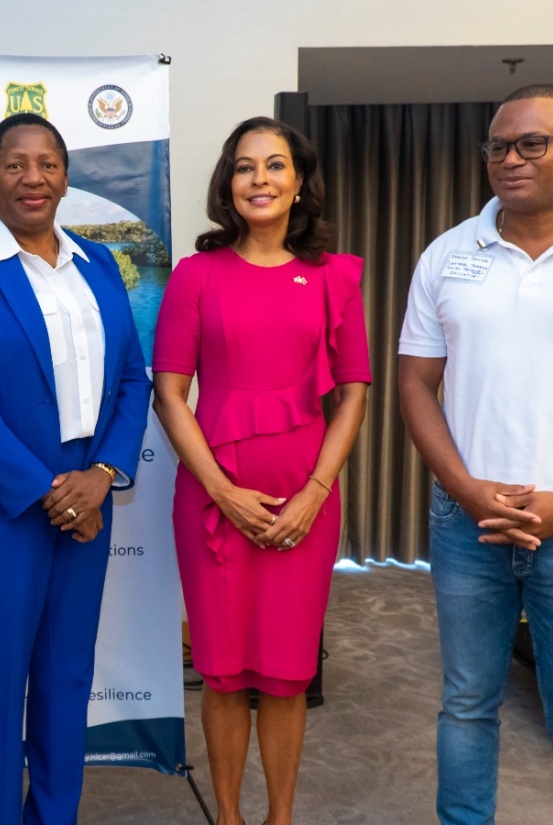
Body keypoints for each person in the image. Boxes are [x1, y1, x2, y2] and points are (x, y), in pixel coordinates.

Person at [398, 84, 553, 825]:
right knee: (466, 705)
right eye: (497, 146)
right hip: (468, 524)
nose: (509, 159)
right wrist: (466, 489)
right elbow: (415, 384)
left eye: (531, 143)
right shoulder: (448, 254)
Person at [0, 112, 151, 825]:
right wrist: (52, 493)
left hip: (89, 493)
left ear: (66, 178)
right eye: (15, 164)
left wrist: (102, 475)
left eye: (47, 163)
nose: (33, 177)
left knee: (65, 676)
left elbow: (131, 380)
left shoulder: (98, 264)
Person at [153, 116, 370, 825]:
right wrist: (222, 492)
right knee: (222, 672)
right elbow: (169, 394)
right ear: (228, 183)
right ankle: (229, 817)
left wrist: (314, 492)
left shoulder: (335, 276)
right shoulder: (196, 275)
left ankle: (279, 817)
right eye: (245, 166)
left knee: (286, 673)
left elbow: (354, 393)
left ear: (299, 182)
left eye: (275, 165)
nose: (260, 179)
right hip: (212, 503)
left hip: (305, 502)